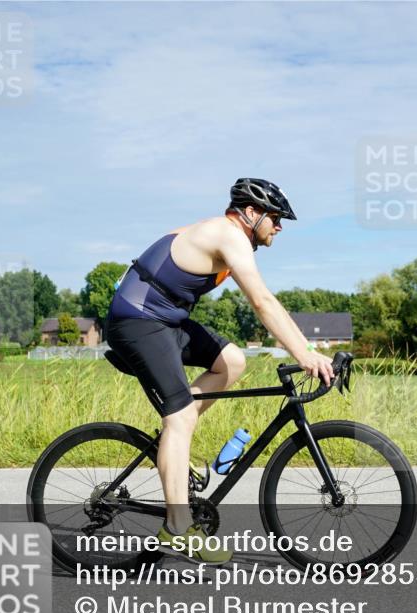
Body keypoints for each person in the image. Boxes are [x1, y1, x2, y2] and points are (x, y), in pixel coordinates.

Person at [104, 178, 335, 564]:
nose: (279, 226)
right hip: (138, 322)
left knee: (232, 361)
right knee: (179, 418)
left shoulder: (222, 233)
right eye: (275, 218)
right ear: (250, 213)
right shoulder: (229, 236)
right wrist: (307, 354)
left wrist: (308, 349)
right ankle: (176, 528)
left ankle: (172, 446)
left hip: (164, 320)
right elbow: (261, 302)